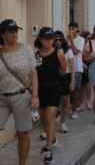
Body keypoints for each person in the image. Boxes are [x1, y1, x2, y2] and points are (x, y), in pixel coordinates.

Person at [0, 19, 39, 165]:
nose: (15, 34)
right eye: (11, 31)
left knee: (23, 133)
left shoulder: (26, 49)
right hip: (1, 98)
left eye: (16, 30)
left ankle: (21, 164)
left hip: (21, 96)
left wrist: (35, 96)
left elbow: (33, 73)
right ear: (2, 34)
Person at [35, 27, 67, 164]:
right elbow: (33, 74)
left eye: (51, 38)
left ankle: (48, 149)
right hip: (40, 89)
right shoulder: (36, 55)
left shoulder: (58, 53)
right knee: (43, 119)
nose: (50, 41)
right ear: (41, 39)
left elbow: (63, 72)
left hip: (54, 88)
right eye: (47, 38)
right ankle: (51, 138)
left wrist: (56, 79)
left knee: (50, 117)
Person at [54, 31, 75, 134]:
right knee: (52, 102)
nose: (58, 41)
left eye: (60, 39)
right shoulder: (50, 51)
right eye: (56, 39)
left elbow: (72, 67)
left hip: (65, 77)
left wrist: (72, 81)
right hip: (54, 77)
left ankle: (63, 123)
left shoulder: (68, 51)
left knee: (65, 102)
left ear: (63, 40)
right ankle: (49, 126)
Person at [67, 22, 85, 120]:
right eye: (69, 28)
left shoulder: (81, 40)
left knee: (76, 90)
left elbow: (75, 51)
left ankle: (74, 110)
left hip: (77, 68)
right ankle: (67, 109)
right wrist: (67, 39)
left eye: (72, 28)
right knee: (67, 91)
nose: (70, 30)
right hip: (67, 68)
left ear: (77, 29)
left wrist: (71, 40)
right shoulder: (67, 39)